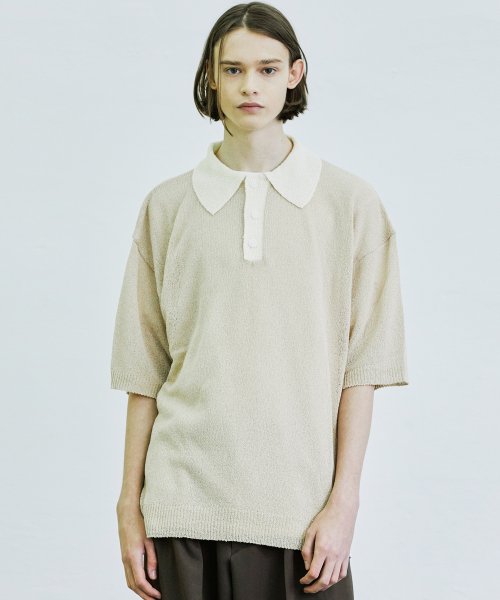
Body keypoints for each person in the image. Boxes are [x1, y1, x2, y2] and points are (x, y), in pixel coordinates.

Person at [110, 2, 409, 599]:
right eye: (233, 69)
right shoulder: (166, 207)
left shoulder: (349, 203)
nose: (250, 86)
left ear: (295, 74)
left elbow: (362, 370)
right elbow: (145, 374)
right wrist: (129, 505)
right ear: (211, 76)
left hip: (301, 514)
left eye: (268, 69)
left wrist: (344, 502)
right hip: (181, 509)